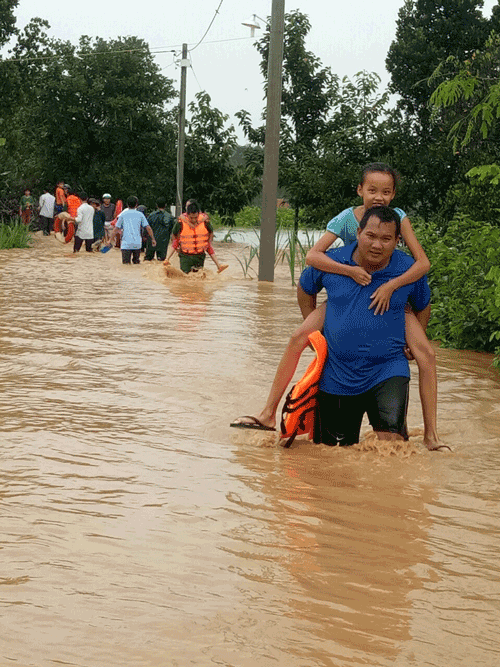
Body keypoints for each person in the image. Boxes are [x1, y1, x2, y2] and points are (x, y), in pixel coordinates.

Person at [232, 162, 445, 450]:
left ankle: (431, 437)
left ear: (397, 240)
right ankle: (268, 413)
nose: (378, 244)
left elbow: (423, 296)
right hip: (338, 360)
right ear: (357, 231)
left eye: (386, 239)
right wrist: (319, 336)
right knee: (328, 455)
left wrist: (410, 328)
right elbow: (307, 280)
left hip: (388, 361)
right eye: (370, 236)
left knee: (394, 447)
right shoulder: (336, 251)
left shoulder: (406, 259)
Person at [164, 199, 228, 273]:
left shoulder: (204, 221)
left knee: (198, 277)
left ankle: (218, 265)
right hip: (185, 256)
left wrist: (208, 242)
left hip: (199, 256)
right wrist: (177, 247)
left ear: (198, 214)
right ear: (187, 215)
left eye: (195, 217)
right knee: (185, 277)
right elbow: (174, 234)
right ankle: (167, 259)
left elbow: (211, 232)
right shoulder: (180, 222)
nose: (194, 220)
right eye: (191, 218)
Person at [110, 195, 156, 264]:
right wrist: (153, 239)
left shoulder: (123, 215)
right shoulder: (140, 214)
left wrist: (110, 240)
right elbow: (148, 228)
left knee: (126, 265)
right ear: (136, 205)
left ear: (127, 204)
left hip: (126, 244)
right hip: (137, 244)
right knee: (136, 264)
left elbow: (116, 228)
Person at [144, 197, 174, 261]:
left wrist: (144, 236)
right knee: (161, 261)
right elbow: (172, 230)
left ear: (156, 205)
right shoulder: (170, 217)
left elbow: (147, 228)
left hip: (151, 241)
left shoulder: (151, 215)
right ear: (165, 205)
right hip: (163, 242)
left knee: (148, 260)